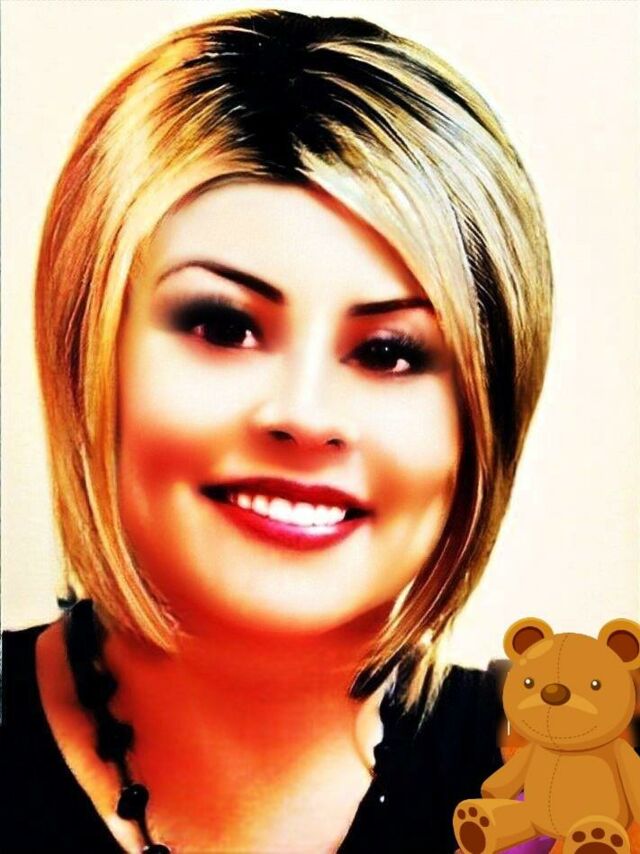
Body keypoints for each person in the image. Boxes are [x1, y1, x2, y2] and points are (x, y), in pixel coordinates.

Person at [2, 8, 555, 852]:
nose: (304, 413)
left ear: (485, 415)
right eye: (223, 327)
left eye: (389, 351)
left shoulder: (579, 783)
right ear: (87, 350)